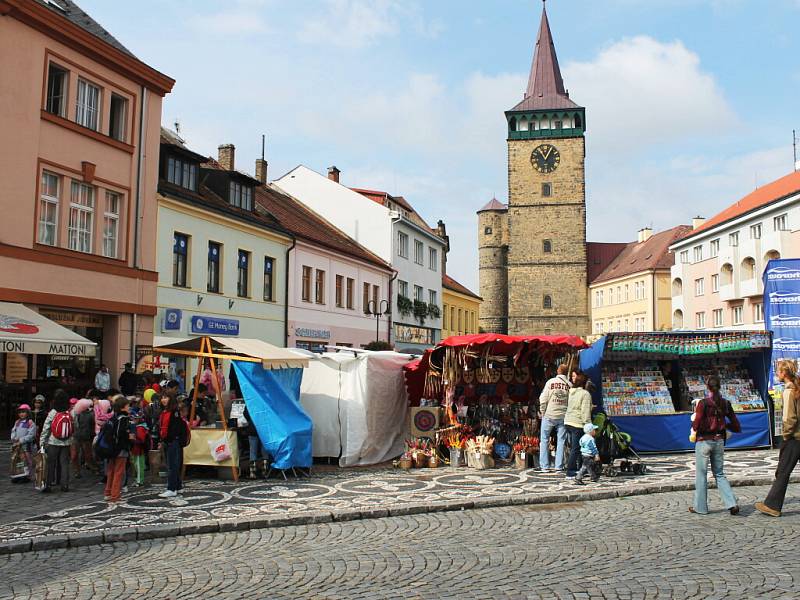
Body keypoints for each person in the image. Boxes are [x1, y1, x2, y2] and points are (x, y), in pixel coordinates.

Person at [690, 375, 741, 515]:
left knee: (701, 474)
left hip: (704, 441)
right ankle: (732, 503)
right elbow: (737, 426)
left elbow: (696, 424)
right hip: (719, 441)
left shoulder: (703, 403)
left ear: (707, 387)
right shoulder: (725, 403)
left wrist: (694, 425)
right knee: (719, 473)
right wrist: (724, 425)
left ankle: (700, 507)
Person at [755, 360, 800, 517]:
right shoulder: (797, 387)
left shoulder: (789, 391)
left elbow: (789, 418)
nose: (776, 374)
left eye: (778, 372)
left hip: (794, 437)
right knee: (783, 470)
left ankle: (772, 505)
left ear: (784, 373)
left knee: (783, 471)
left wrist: (786, 436)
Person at [538, 363, 571, 472]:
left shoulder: (550, 382)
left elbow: (543, 399)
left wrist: (543, 411)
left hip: (549, 415)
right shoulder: (569, 385)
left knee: (544, 439)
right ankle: (559, 466)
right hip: (563, 416)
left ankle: (544, 466)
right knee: (561, 441)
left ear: (558, 371)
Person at [39, 389, 73, 493]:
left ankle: (48, 485)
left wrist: (42, 441)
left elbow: (46, 427)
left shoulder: (53, 412)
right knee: (64, 463)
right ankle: (65, 485)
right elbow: (74, 426)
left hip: (53, 441)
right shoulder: (69, 411)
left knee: (51, 463)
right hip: (66, 442)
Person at [104, 395, 133, 503]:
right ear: (122, 407)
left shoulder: (113, 417)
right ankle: (115, 495)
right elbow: (122, 433)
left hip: (111, 448)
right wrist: (129, 436)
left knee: (111, 470)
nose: (129, 407)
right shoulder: (124, 419)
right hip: (120, 448)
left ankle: (108, 492)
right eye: (127, 406)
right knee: (119, 471)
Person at [159, 395, 188, 498]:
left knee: (172, 465)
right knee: (172, 464)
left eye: (166, 397)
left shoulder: (174, 413)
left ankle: (172, 488)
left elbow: (175, 428)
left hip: (172, 441)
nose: (163, 399)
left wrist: (169, 438)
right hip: (168, 441)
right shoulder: (165, 412)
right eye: (162, 397)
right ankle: (178, 486)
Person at [564, 372, 592, 477]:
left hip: (568, 421)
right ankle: (570, 471)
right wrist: (589, 426)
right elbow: (585, 412)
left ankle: (581, 468)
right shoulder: (585, 394)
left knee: (578, 447)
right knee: (576, 448)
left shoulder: (571, 392)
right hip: (577, 423)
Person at [11, 404, 37, 479]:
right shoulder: (17, 422)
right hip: (17, 444)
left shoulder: (30, 422)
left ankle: (29, 474)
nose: (21, 414)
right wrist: (14, 438)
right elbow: (13, 431)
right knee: (19, 459)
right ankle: (21, 473)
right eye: (20, 412)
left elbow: (31, 435)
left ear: (28, 413)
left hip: (26, 445)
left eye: (23, 412)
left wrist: (21, 440)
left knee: (28, 459)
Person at [71, 398, 95, 478]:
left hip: (86, 437)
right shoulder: (74, 413)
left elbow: (93, 426)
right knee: (74, 456)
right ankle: (76, 471)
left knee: (88, 455)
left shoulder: (91, 414)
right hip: (76, 437)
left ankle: (93, 467)